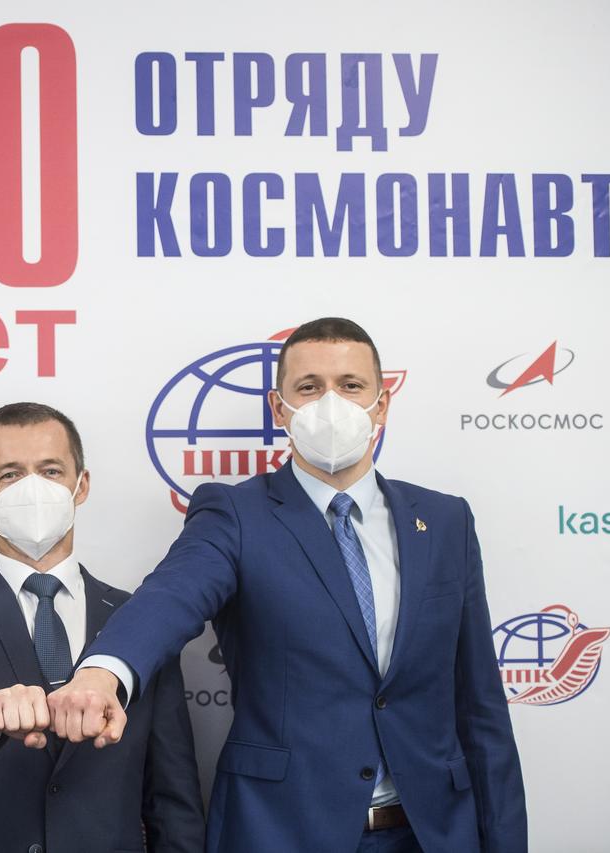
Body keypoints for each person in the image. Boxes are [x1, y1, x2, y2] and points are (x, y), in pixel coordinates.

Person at [49, 319, 528, 853]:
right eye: (309, 387)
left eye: (351, 385)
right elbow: (170, 595)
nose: (331, 403)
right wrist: (104, 671)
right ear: (280, 409)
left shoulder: (445, 521)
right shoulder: (235, 515)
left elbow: (481, 707)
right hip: (282, 831)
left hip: (432, 832)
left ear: (382, 404)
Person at [0, 402, 205, 853]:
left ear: (82, 485)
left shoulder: (139, 617)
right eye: (10, 474)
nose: (33, 488)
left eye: (51, 471)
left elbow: (172, 791)